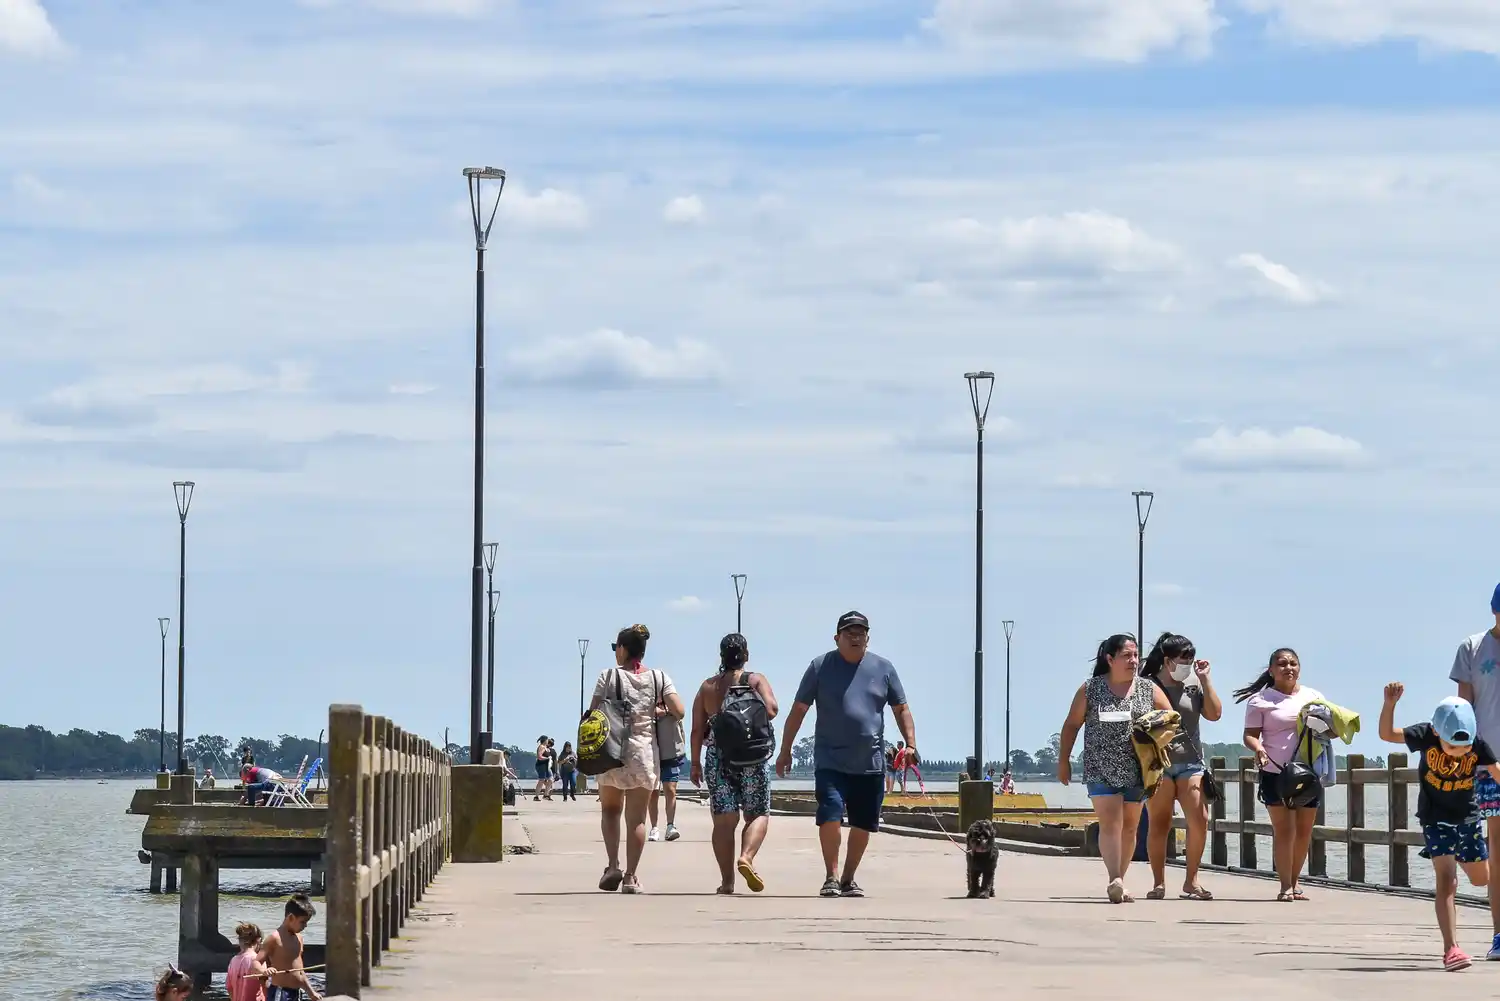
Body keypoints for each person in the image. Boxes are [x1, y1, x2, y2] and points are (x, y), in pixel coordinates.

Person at [776, 610, 916, 898]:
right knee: (830, 814)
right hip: (831, 761)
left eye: (861, 632)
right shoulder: (820, 667)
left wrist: (910, 744)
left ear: (868, 637)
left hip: (871, 763)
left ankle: (849, 878)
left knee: (864, 824)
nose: (855, 637)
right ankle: (831, 875)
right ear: (836, 637)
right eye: (849, 633)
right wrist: (785, 750)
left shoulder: (884, 668)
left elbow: (901, 708)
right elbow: (798, 711)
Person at [1380, 683, 1500, 971]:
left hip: (1468, 819)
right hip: (1436, 819)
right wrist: (1390, 704)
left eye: (1464, 748)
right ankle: (1451, 949)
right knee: (1447, 881)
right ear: (1437, 733)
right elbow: (1387, 734)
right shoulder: (1425, 735)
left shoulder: (1479, 744)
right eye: (1451, 747)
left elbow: (1496, 772)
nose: (1459, 753)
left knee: (1482, 879)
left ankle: (1458, 856)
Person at [1059, 633, 1172, 904]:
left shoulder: (1148, 688)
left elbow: (1169, 720)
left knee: (1130, 827)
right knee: (1110, 823)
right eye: (1127, 656)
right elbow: (1072, 724)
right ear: (1110, 659)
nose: (1133, 661)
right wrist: (1063, 760)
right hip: (1101, 766)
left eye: (1136, 655)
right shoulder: (1091, 688)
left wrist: (1155, 734)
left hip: (1138, 768)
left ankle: (1119, 879)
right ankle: (1115, 878)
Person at [591, 624, 685, 894]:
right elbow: (679, 710)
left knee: (610, 811)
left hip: (611, 753)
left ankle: (612, 866)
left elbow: (594, 711)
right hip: (643, 755)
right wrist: (656, 710)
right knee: (638, 820)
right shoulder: (658, 677)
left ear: (622, 649)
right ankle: (631, 877)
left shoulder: (607, 676)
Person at [691, 632, 778, 894]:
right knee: (758, 813)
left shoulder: (708, 687)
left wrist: (695, 763)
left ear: (721, 657)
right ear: (746, 656)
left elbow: (696, 730)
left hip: (719, 757)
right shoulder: (756, 680)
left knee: (724, 822)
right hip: (753, 754)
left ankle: (727, 882)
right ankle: (747, 857)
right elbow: (772, 710)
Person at [1139, 631, 1222, 901]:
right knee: (1160, 823)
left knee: (1200, 819)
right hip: (1158, 764)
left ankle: (1192, 880)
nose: (1187, 663)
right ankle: (1158, 882)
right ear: (1167, 660)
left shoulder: (1192, 687)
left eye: (1191, 658)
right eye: (1183, 659)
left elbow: (1214, 714)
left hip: (1191, 762)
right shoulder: (1146, 686)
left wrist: (1205, 680)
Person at [1238, 647, 1323, 902]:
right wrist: (1259, 749)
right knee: (1284, 830)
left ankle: (1296, 882)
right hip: (1275, 771)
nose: (1289, 668)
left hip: (1307, 773)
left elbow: (1329, 730)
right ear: (1271, 670)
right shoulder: (1261, 700)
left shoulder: (1313, 696)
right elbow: (1250, 735)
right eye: (1283, 664)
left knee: (1305, 830)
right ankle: (1285, 885)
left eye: (1293, 664)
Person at [1449, 582, 1500, 961]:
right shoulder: (1472, 647)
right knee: (1497, 849)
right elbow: (1462, 710)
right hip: (1487, 763)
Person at [257, 893, 321, 1001]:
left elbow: (300, 971)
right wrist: (264, 971)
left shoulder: (299, 938)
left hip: (296, 992)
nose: (305, 926)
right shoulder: (274, 938)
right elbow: (256, 962)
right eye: (302, 922)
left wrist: (311, 992)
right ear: (291, 917)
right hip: (280, 992)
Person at [650, 708, 686, 842]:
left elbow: (680, 711)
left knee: (670, 790)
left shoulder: (670, 698)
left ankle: (670, 825)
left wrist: (665, 710)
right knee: (653, 792)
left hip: (671, 752)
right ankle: (654, 827)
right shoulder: (648, 698)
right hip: (651, 753)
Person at [226, 922, 267, 1001]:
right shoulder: (258, 960)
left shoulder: (233, 960)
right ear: (259, 940)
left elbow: (229, 988)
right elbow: (266, 985)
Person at [532, 736, 550, 801]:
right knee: (541, 780)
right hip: (541, 765)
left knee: (549, 780)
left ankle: (546, 795)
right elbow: (539, 757)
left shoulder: (545, 747)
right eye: (547, 740)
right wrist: (547, 758)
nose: (548, 741)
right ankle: (536, 796)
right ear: (545, 740)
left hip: (545, 766)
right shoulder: (542, 747)